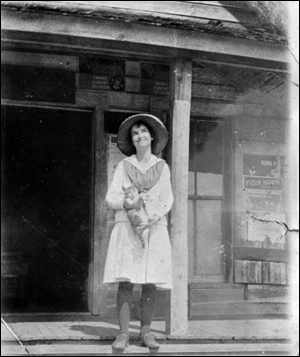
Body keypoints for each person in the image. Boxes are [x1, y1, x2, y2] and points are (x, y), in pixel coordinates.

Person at [103, 114, 173, 352]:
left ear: (152, 136)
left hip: (153, 228)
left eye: (143, 131)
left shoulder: (161, 167)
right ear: (131, 141)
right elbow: (111, 197)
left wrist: (154, 213)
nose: (140, 135)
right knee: (126, 280)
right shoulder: (124, 166)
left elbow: (168, 199)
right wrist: (130, 203)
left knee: (149, 280)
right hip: (127, 227)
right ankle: (123, 334)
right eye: (135, 133)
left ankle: (146, 332)